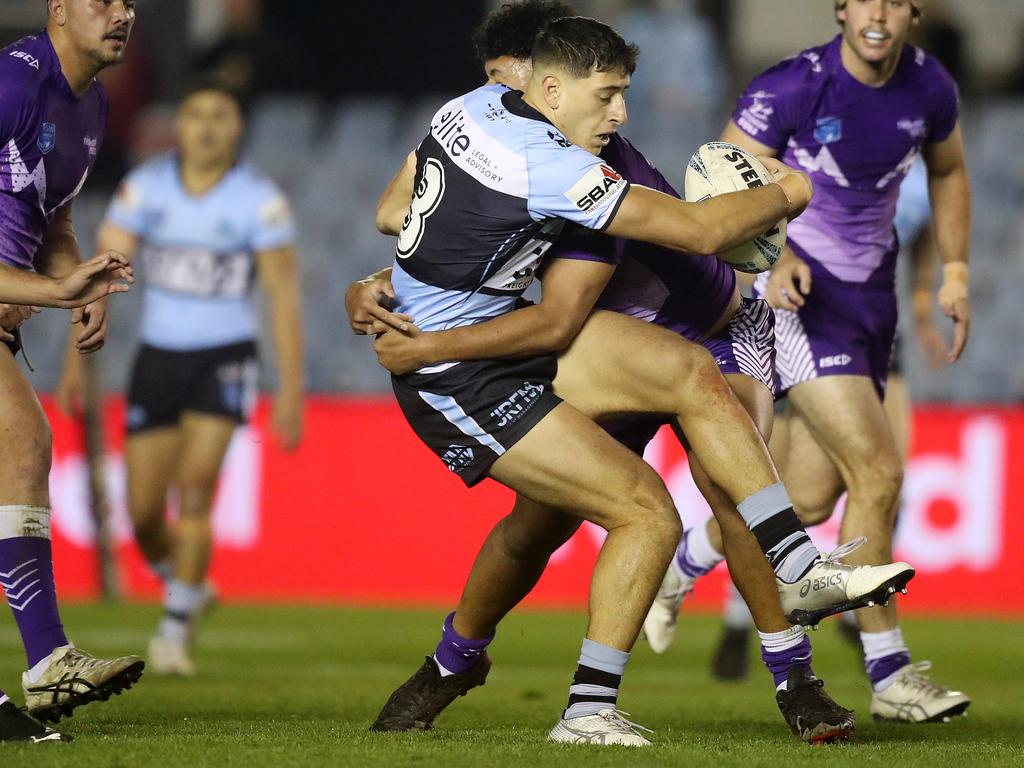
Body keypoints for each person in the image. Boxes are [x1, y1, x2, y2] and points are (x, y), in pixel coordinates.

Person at [352, 11, 906, 746]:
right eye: (607, 95)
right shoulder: (559, 164)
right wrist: (787, 193)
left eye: (622, 94)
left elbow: (410, 211)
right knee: (554, 524)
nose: (620, 113)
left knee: (726, 474)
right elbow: (552, 304)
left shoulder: (492, 122)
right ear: (540, 84)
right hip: (528, 344)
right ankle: (464, 667)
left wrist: (391, 285)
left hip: (701, 324)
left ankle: (796, 665)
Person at [644, 0, 972, 723]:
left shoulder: (931, 88)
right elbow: (715, 174)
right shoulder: (791, 87)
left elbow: (948, 171)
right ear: (841, 9)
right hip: (799, 303)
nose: (879, 13)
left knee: (815, 500)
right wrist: (779, 250)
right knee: (880, 471)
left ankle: (688, 559)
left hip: (872, 304)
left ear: (914, 13)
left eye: (895, 0)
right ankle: (890, 677)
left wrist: (952, 270)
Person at [56, 80, 304, 676]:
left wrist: (291, 387)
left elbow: (281, 293)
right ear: (181, 125)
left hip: (224, 357)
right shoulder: (146, 189)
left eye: (220, 115)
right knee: (141, 515)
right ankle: (185, 585)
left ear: (236, 128)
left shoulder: (257, 200)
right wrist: (74, 360)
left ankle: (173, 632)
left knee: (195, 490)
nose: (207, 127)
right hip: (158, 359)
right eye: (196, 114)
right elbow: (97, 275)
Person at [0, 0, 145, 744]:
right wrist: (43, 291)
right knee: (22, 442)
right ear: (58, 10)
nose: (121, 14)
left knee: (22, 449)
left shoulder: (90, 108)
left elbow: (50, 220)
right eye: (102, 0)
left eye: (129, 3)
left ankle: (48, 661)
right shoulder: (13, 85)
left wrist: (72, 281)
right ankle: (48, 659)